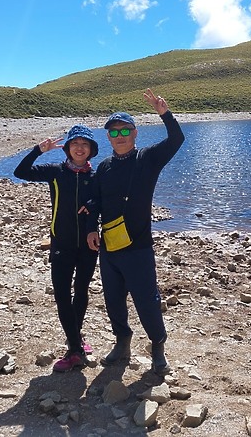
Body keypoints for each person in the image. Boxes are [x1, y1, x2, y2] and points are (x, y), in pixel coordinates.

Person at [86, 88, 185, 375]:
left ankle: (157, 346)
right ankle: (122, 343)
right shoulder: (103, 168)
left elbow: (176, 139)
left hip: (139, 247)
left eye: (125, 131)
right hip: (109, 248)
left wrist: (164, 114)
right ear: (108, 138)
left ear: (135, 133)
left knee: (147, 300)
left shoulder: (148, 159)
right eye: (114, 133)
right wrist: (91, 228)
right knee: (113, 298)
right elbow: (95, 202)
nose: (120, 137)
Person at [14, 124, 99, 372]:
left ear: (91, 149)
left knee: (81, 291)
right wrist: (38, 150)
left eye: (84, 145)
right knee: (62, 294)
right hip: (61, 243)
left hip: (88, 244)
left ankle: (75, 343)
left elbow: (107, 198)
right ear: (68, 148)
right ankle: (75, 345)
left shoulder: (96, 176)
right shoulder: (55, 172)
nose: (80, 148)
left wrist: (92, 203)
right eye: (75, 144)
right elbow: (21, 172)